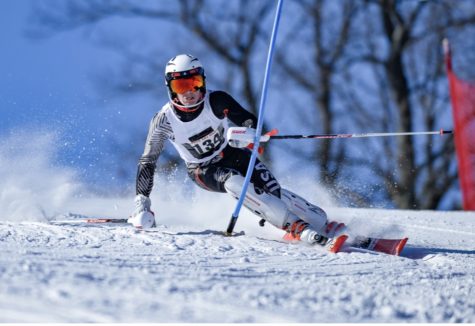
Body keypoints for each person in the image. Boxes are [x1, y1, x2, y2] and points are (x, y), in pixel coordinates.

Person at [129, 54, 344, 244]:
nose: (189, 92)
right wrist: (142, 202)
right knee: (235, 182)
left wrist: (251, 134)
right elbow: (148, 161)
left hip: (232, 153)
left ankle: (318, 221)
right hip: (202, 170)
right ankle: (295, 227)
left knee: (273, 192)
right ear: (171, 89)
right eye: (180, 86)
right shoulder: (164, 121)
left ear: (202, 81)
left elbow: (248, 120)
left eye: (193, 82)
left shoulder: (216, 100)